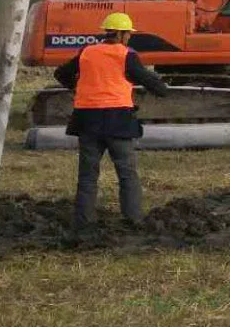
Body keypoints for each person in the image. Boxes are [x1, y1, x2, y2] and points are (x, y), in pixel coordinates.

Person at [54, 11, 169, 227]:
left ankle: (83, 222)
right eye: (128, 34)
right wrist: (162, 89)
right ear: (122, 34)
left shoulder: (87, 52)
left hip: (87, 121)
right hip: (118, 120)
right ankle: (133, 219)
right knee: (127, 173)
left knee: (88, 175)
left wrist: (77, 88)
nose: (129, 38)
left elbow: (61, 73)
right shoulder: (126, 55)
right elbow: (145, 78)